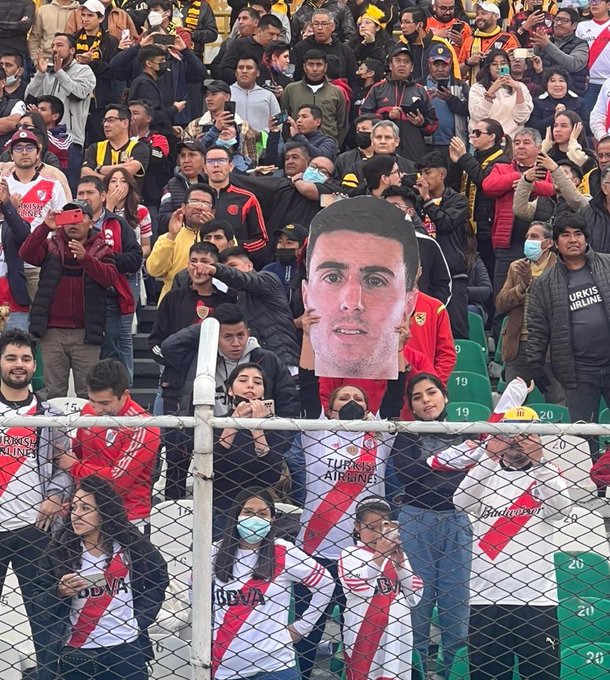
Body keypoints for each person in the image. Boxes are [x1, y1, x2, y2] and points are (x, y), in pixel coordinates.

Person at [392, 372, 530, 675]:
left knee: (456, 604)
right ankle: (414, 670)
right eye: (417, 397)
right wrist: (449, 461)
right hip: (416, 521)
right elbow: (405, 474)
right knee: (416, 603)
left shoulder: (468, 431)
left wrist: (435, 465)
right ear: (411, 407)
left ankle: (452, 671)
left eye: (431, 393)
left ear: (445, 396)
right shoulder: (407, 433)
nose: (426, 401)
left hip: (459, 521)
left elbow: (482, 462)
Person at [295, 312, 408, 680]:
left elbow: (395, 393)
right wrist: (308, 334)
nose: (351, 401)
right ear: (330, 407)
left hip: (365, 556)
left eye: (358, 397)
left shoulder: (379, 434)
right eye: (343, 397)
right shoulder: (316, 432)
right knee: (307, 634)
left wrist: (398, 345)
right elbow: (308, 384)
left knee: (361, 637)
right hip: (315, 550)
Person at [453, 406, 572, 680]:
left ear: (538, 437)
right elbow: (460, 502)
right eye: (510, 432)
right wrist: (490, 456)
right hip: (486, 598)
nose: (517, 439)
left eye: (526, 433)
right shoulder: (486, 472)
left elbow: (561, 509)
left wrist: (540, 462)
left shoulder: (548, 473)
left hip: (537, 600)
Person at [34, 475, 168, 680]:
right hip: (77, 652)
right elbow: (37, 604)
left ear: (104, 512)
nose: (76, 514)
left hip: (126, 648)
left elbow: (158, 577)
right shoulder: (58, 550)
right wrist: (58, 592)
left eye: (86, 508)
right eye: (74, 508)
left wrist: (138, 621)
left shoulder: (129, 543)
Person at [0, 329, 72, 675]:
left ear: (34, 365)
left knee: (44, 614)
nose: (19, 364)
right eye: (11, 358)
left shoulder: (50, 414)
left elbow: (66, 466)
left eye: (26, 358)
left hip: (36, 530)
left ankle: (48, 673)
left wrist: (56, 495)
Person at [212, 487, 334, 680]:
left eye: (263, 514)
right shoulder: (214, 552)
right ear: (236, 516)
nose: (255, 519)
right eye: (248, 512)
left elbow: (326, 584)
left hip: (276, 665)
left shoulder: (283, 551)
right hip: (225, 666)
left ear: (272, 519)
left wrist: (301, 628)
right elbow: (194, 589)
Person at [303, 196, 418, 379]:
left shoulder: (421, 385)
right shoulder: (288, 386)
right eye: (332, 277)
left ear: (409, 304)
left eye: (375, 281)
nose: (351, 303)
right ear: (305, 295)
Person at [19, 201, 118, 399]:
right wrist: (44, 227)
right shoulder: (51, 244)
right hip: (52, 332)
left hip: (87, 334)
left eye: (79, 217)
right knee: (53, 394)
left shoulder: (101, 248)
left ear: (91, 222)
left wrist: (86, 258)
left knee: (88, 393)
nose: (73, 223)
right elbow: (26, 254)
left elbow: (110, 278)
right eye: (68, 218)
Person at [527, 213, 610, 430]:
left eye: (578, 234)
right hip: (578, 372)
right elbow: (537, 327)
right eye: (565, 235)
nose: (573, 240)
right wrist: (535, 363)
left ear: (586, 239)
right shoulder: (544, 283)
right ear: (555, 243)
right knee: (582, 435)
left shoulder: (608, 265)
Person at [58, 359, 160, 526]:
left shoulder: (143, 426)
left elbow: (116, 483)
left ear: (124, 395)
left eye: (105, 403)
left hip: (127, 518)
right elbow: (78, 450)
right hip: (86, 512)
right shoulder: (88, 410)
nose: (97, 409)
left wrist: (74, 466)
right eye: (92, 400)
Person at [339, 496, 423, 680]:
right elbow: (356, 585)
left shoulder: (397, 555)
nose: (378, 534)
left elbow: (414, 592)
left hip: (397, 630)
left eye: (382, 527)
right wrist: (380, 556)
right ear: (357, 526)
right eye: (371, 528)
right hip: (365, 630)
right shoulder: (351, 553)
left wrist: (400, 565)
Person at [76, 176, 143, 385]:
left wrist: (104, 257)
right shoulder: (69, 223)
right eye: (80, 193)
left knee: (112, 348)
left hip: (111, 295)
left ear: (103, 196)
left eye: (90, 193)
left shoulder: (117, 223)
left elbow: (135, 259)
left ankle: (117, 393)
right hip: (78, 297)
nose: (85, 198)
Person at [194, 246, 300, 369]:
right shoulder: (235, 297)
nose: (229, 271)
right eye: (225, 268)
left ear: (249, 266)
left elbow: (242, 279)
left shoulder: (268, 279)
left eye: (232, 266)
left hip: (284, 361)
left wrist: (216, 270)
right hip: (257, 366)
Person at [481, 127, 555, 297]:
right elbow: (488, 186)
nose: (521, 146)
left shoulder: (548, 170)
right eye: (517, 143)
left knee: (540, 293)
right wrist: (521, 178)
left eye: (526, 142)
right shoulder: (501, 168)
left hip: (541, 243)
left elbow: (555, 190)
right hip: (508, 243)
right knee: (504, 294)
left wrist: (532, 185)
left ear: (539, 147)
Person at [496, 220, 562, 400]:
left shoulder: (560, 268)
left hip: (549, 346)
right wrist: (521, 287)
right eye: (527, 237)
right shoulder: (517, 267)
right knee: (513, 402)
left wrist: (533, 283)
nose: (528, 241)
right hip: (518, 344)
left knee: (556, 399)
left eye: (534, 237)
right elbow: (500, 304)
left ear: (548, 243)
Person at [26, 34, 96, 189]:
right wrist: (40, 74)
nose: (55, 49)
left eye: (60, 45)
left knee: (67, 187)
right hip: (44, 139)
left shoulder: (84, 71)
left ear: (72, 50)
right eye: (53, 46)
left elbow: (79, 93)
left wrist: (60, 73)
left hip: (71, 140)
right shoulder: (47, 72)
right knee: (43, 186)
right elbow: (29, 96)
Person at [416, 151, 470, 339]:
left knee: (456, 331)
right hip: (425, 276)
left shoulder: (459, 201)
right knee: (424, 332)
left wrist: (427, 201)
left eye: (428, 173)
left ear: (442, 174)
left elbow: (446, 223)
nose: (423, 178)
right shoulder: (416, 202)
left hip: (453, 274)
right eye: (421, 173)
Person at [450, 119, 511, 282]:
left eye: (477, 133)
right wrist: (456, 163)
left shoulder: (501, 161)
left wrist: (464, 157)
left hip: (487, 228)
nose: (472, 136)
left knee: (488, 273)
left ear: (492, 137)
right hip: (469, 227)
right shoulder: (474, 158)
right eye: (472, 132)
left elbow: (485, 182)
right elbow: (454, 186)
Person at [149, 241, 235, 354]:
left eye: (204, 262)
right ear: (188, 265)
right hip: (178, 363)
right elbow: (156, 341)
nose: (198, 267)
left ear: (216, 267)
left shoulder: (226, 301)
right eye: (193, 261)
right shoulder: (172, 298)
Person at [360, 43, 438, 163]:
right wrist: (386, 116)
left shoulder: (421, 91)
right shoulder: (377, 88)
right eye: (398, 60)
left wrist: (422, 123)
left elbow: (434, 124)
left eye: (406, 62)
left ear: (412, 67)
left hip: (413, 154)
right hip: (381, 154)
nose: (402, 65)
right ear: (391, 65)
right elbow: (363, 117)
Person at [383, 186, 453, 306]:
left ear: (410, 212)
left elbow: (443, 284)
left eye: (396, 206)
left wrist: (431, 310)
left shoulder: (428, 244)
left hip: (421, 313)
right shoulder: (373, 244)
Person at [147, 182, 216, 302]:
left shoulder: (222, 237)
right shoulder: (169, 236)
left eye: (205, 203)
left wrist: (212, 231)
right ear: (183, 208)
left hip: (211, 300)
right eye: (194, 201)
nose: (199, 207)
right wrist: (172, 236)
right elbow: (153, 270)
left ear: (213, 211)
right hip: (173, 301)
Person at [203, 145, 268, 261]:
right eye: (211, 161)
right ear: (204, 168)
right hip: (202, 262)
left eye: (221, 160)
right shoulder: (195, 198)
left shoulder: (247, 198)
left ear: (231, 166)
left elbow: (261, 240)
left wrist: (235, 245)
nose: (216, 165)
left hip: (234, 264)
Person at [282, 50, 347, 146]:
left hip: (327, 147)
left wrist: (336, 145)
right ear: (304, 67)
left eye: (319, 64)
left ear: (325, 67)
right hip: (297, 146)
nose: (315, 69)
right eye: (311, 64)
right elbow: (285, 120)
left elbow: (342, 124)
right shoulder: (291, 90)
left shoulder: (336, 91)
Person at [469, 49, 533, 141]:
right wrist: (491, 92)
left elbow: (522, 119)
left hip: (511, 141)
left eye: (503, 63)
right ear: (488, 67)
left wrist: (518, 90)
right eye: (494, 64)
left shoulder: (520, 87)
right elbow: (478, 116)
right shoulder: (478, 88)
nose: (499, 67)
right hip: (482, 142)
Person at [82, 104, 150, 188]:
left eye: (110, 120)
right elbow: (85, 173)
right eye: (105, 121)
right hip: (102, 195)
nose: (106, 124)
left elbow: (131, 168)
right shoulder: (95, 147)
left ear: (125, 123)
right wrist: (114, 175)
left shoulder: (139, 147)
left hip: (130, 195)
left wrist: (99, 169)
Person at [290, 8, 358, 86]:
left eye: (324, 24)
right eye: (316, 24)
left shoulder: (344, 50)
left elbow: (353, 79)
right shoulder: (300, 48)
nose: (320, 28)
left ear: (332, 26)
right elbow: (293, 77)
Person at [529, 8, 588, 97]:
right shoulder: (546, 40)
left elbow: (573, 64)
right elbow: (533, 65)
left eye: (564, 20)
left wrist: (547, 45)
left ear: (574, 25)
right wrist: (537, 47)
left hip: (570, 95)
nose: (559, 23)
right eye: (557, 19)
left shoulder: (581, 44)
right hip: (543, 93)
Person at [459, 2, 519, 83]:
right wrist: (468, 62)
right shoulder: (469, 40)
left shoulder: (508, 39)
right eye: (477, 14)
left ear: (496, 16)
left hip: (502, 87)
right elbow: (458, 74)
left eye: (483, 13)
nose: (479, 17)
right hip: (475, 89)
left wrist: (498, 60)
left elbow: (516, 71)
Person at [0, 178, 31, 330]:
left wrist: (7, 204)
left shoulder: (16, 224)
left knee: (17, 344)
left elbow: (23, 236)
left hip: (14, 305)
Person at [219, 14, 284, 85]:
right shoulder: (240, 44)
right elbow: (224, 70)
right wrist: (245, 80)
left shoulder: (276, 49)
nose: (275, 38)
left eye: (278, 35)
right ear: (259, 31)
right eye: (271, 34)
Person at [575, 0, 610, 116]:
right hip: (589, 83)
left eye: (598, 1)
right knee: (587, 117)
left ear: (608, 4)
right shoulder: (582, 26)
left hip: (609, 82)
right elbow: (577, 53)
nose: (594, 4)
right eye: (591, 1)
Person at [230, 56, 281, 134]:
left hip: (264, 140)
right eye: (240, 68)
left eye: (249, 68)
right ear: (236, 73)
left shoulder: (268, 96)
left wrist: (260, 135)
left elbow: (278, 124)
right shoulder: (227, 94)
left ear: (257, 73)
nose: (244, 71)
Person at [528, 68, 584, 136]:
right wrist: (554, 117)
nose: (557, 84)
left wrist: (567, 116)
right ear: (546, 84)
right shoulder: (537, 102)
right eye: (553, 81)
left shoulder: (578, 101)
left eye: (561, 81)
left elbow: (586, 126)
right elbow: (532, 128)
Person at [262, 222, 308, 299]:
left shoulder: (308, 272)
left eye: (289, 243)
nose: (283, 246)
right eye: (280, 242)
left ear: (302, 247)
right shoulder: (268, 270)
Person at [291, 0, 357, 47]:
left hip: (334, 55)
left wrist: (339, 52)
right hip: (307, 56)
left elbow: (350, 36)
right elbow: (293, 40)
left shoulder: (341, 8)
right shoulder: (300, 12)